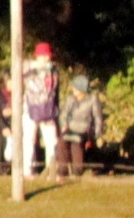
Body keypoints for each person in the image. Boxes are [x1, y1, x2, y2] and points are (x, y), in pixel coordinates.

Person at [24, 44, 63, 178]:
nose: (46, 58)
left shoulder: (54, 70)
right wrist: (34, 66)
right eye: (43, 55)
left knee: (51, 141)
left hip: (49, 110)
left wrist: (56, 109)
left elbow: (56, 92)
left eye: (48, 55)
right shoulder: (28, 67)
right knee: (29, 140)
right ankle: (27, 170)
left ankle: (51, 170)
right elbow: (16, 70)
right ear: (37, 56)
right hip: (30, 109)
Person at [65, 65, 106, 174]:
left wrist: (97, 134)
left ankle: (77, 171)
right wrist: (63, 125)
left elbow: (98, 117)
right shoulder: (70, 99)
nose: (73, 89)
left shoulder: (92, 100)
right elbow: (64, 114)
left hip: (85, 129)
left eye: (75, 87)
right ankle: (62, 171)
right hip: (70, 127)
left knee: (76, 142)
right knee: (60, 143)